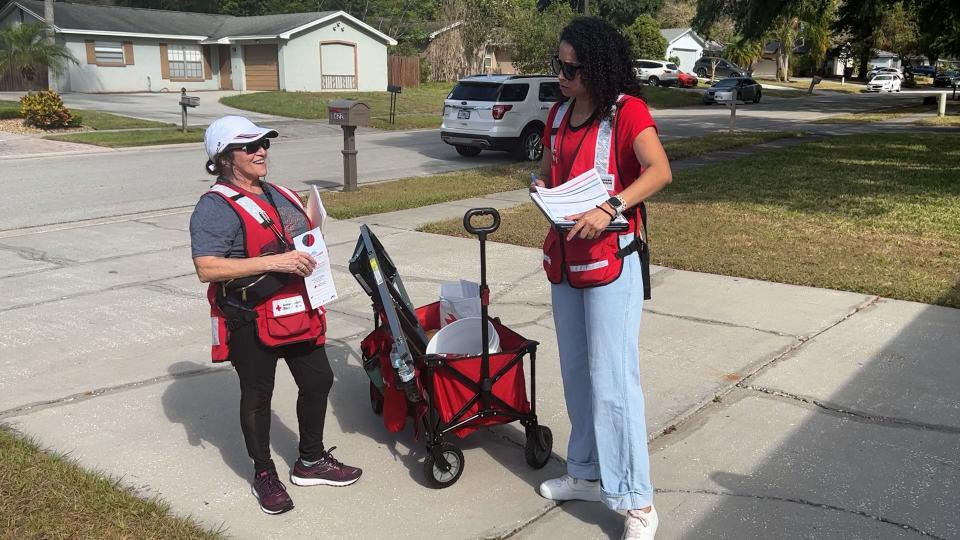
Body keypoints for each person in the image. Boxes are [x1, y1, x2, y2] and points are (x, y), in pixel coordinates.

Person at [533, 18, 673, 540]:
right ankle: (587, 472)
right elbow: (549, 170)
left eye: (571, 68)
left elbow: (658, 171)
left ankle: (638, 502)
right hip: (567, 260)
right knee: (576, 372)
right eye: (558, 65)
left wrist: (610, 204)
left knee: (613, 378)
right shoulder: (558, 113)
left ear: (597, 67)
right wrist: (539, 186)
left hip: (613, 260)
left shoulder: (628, 112)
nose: (562, 75)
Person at [189, 115, 361, 515]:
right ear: (224, 157)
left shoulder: (279, 191)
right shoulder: (214, 207)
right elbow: (207, 268)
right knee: (258, 397)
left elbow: (296, 236)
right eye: (249, 146)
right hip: (249, 316)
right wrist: (281, 261)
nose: (261, 150)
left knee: (319, 379)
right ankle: (264, 472)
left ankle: (311, 460)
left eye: (264, 142)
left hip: (296, 310)